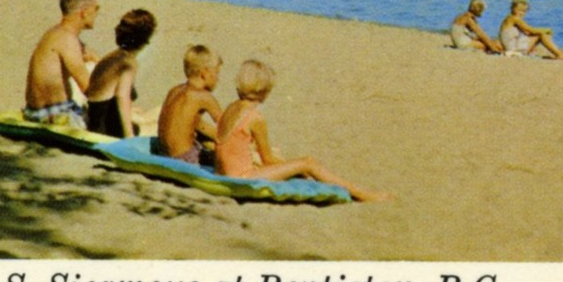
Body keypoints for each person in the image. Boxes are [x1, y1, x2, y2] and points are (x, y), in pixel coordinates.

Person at [216, 60, 391, 202]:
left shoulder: (232, 107)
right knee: (307, 162)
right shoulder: (254, 117)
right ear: (264, 92)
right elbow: (267, 159)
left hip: (224, 172)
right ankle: (362, 194)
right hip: (241, 179)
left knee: (282, 157)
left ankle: (309, 173)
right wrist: (292, 165)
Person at [23, 0, 99, 125]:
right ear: (84, 13)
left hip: (36, 111)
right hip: (54, 115)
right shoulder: (68, 40)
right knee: (142, 125)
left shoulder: (56, 33)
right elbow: (90, 90)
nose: (98, 13)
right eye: (96, 9)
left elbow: (92, 56)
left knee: (92, 66)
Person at [85, 9, 157, 138]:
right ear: (146, 39)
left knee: (159, 111)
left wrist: (132, 112)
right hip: (108, 131)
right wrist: (129, 137)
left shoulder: (112, 56)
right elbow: (122, 97)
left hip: (96, 123)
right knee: (164, 123)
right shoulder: (128, 63)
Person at [154, 45, 223, 165]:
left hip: (163, 154)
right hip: (184, 158)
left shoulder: (175, 90)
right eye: (216, 73)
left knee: (207, 141)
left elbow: (193, 124)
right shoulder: (203, 96)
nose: (218, 79)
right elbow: (228, 127)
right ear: (204, 73)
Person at [498, 0, 563, 59]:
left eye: (524, 11)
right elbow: (530, 29)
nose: (521, 13)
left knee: (539, 35)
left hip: (513, 47)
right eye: (519, 10)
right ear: (512, 8)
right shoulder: (514, 18)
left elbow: (527, 33)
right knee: (541, 35)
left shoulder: (510, 19)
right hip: (513, 49)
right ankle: (559, 54)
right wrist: (546, 30)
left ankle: (558, 52)